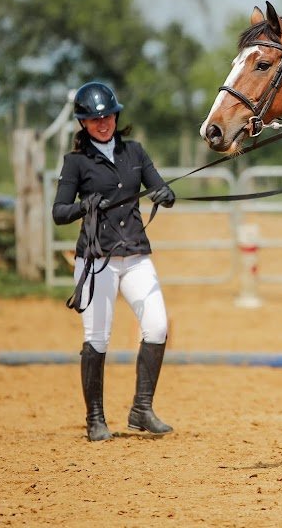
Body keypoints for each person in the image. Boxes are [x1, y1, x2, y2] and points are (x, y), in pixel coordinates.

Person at [52, 81, 176, 442]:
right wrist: (83, 206)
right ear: (83, 123)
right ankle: (95, 418)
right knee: (97, 338)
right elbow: (59, 212)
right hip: (97, 259)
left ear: (115, 116)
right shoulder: (75, 162)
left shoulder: (134, 152)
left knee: (157, 326)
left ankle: (141, 408)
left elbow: (158, 187)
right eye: (94, 119)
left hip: (136, 255)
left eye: (107, 116)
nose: (102, 123)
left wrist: (165, 194)